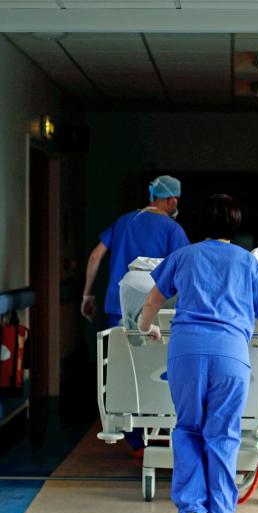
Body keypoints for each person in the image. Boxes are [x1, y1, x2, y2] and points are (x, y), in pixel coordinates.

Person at [138, 194, 258, 513]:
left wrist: (147, 328)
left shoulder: (183, 256)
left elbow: (150, 302)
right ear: (235, 226)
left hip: (186, 353)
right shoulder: (246, 262)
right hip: (230, 357)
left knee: (188, 428)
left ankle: (190, 510)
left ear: (199, 224)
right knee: (222, 435)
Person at [81, 175, 190, 453]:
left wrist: (87, 295)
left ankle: (134, 439)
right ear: (170, 200)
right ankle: (163, 431)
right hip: (158, 311)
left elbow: (95, 257)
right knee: (157, 369)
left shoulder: (124, 221)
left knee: (124, 368)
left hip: (119, 306)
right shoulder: (171, 228)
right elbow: (184, 270)